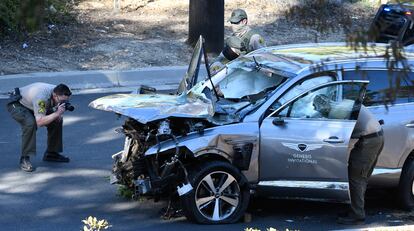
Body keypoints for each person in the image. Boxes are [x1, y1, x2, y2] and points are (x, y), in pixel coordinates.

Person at [313, 94, 384, 225]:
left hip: (369, 141)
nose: (321, 112)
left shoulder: (336, 112)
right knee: (361, 178)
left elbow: (335, 134)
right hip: (375, 137)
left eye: (319, 109)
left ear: (324, 107)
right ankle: (356, 210)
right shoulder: (342, 103)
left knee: (356, 178)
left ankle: (357, 214)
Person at [7, 83, 73, 172]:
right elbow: (40, 122)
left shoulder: (60, 92)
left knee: (57, 120)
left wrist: (57, 113)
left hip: (33, 103)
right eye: (61, 101)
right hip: (18, 103)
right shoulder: (41, 98)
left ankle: (51, 153)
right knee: (30, 124)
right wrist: (57, 113)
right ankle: (24, 158)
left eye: (65, 101)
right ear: (54, 95)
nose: (62, 103)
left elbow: (52, 107)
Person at [210, 8, 266, 75]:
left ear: (244, 21)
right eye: (232, 22)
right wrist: (214, 64)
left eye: (236, 22)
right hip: (235, 71)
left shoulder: (255, 38)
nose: (233, 26)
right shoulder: (234, 36)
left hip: (250, 74)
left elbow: (264, 59)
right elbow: (223, 56)